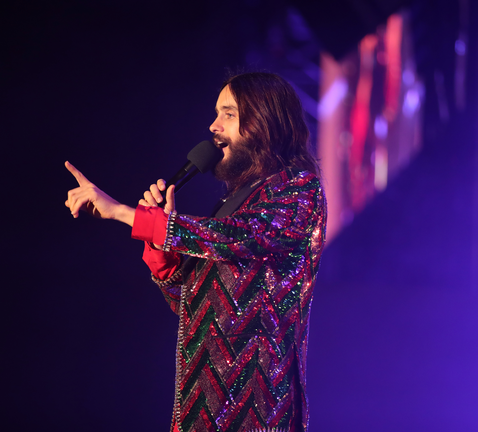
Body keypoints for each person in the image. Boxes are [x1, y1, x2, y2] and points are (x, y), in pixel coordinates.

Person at [64, 72, 326, 432]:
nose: (213, 126)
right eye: (217, 113)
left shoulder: (297, 189)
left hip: (257, 409)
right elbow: (189, 302)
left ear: (265, 121)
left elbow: (240, 236)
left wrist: (128, 214)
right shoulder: (233, 203)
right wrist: (161, 245)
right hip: (199, 406)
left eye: (229, 114)